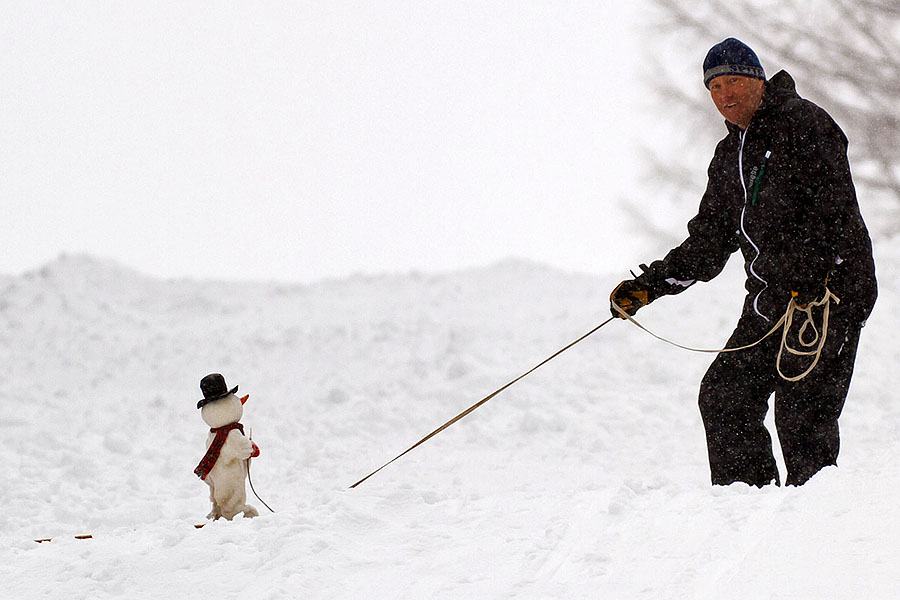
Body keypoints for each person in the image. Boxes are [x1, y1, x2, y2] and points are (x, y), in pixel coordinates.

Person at [610, 38, 877, 487]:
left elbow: (837, 210)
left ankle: (811, 524)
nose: (724, 95)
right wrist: (651, 286)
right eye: (713, 87)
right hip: (771, 300)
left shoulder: (804, 123)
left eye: (733, 80)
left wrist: (823, 277)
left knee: (801, 415)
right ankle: (744, 507)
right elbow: (711, 240)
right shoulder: (728, 155)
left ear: (757, 79)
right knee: (724, 395)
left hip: (829, 294)